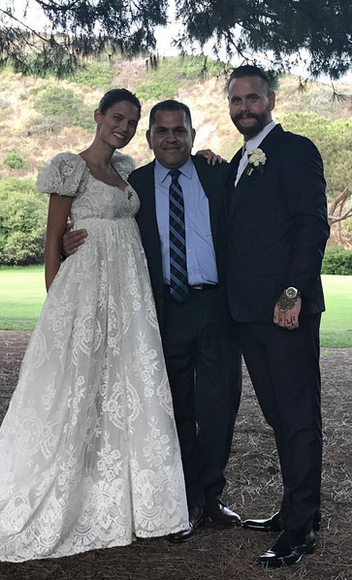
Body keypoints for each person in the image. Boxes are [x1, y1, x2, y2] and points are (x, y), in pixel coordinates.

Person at [0, 89, 189, 563]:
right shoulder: (69, 167)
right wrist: (59, 307)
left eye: (132, 121)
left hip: (129, 295)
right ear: (98, 116)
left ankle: (133, 500)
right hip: (83, 292)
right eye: (117, 117)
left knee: (121, 387)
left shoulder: (125, 171)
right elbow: (53, 242)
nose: (123, 127)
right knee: (73, 386)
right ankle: (53, 495)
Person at [64, 100, 242, 542]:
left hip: (217, 307)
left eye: (178, 130)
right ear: (149, 139)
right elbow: (99, 222)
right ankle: (187, 500)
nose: (170, 138)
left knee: (220, 405)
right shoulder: (134, 187)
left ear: (192, 135)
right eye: (161, 131)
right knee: (173, 406)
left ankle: (213, 495)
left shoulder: (217, 176)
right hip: (163, 310)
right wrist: (71, 242)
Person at [225, 65, 330, 568]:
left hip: (286, 310)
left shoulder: (295, 150)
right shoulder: (236, 162)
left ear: (270, 100)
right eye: (236, 100)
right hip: (247, 313)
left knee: (298, 415)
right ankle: (293, 506)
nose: (244, 107)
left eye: (252, 98)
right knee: (277, 416)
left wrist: (292, 293)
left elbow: (312, 226)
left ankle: (302, 526)